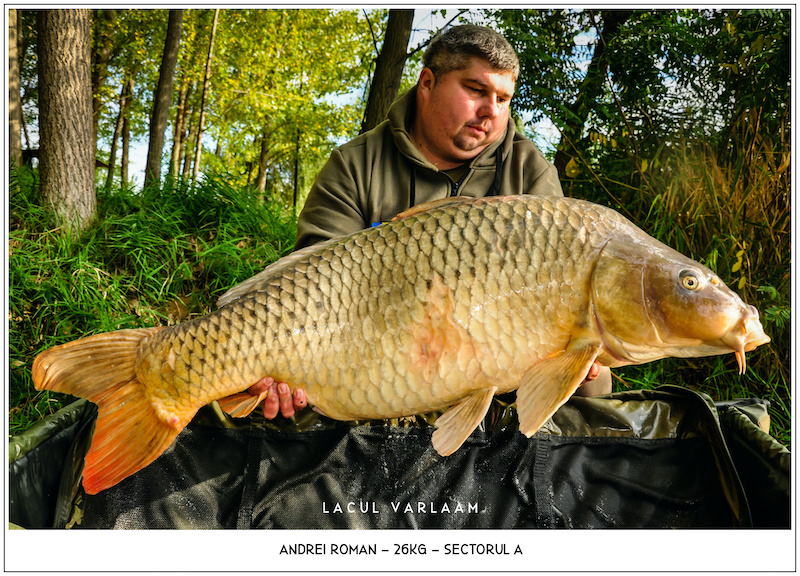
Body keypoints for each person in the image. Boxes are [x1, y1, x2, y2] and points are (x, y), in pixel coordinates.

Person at [245, 24, 611, 421]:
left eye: (503, 98)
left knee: (595, 382)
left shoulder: (529, 173)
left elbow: (560, 286)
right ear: (428, 82)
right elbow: (305, 292)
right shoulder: (354, 166)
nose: (491, 110)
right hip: (373, 355)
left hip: (495, 362)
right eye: (476, 90)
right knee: (288, 393)